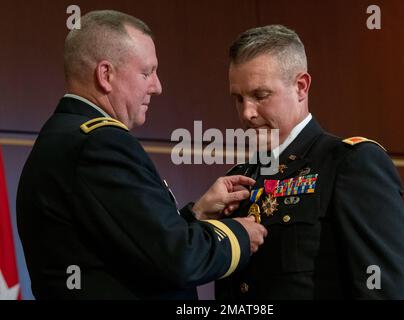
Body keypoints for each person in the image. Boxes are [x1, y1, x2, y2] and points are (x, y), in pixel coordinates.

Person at [16, 10, 267, 300]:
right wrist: (238, 234)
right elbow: (177, 259)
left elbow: (130, 246)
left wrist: (196, 214)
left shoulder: (66, 135)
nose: (157, 86)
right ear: (105, 75)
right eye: (147, 72)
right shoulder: (99, 144)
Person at [215, 25, 404, 299]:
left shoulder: (350, 162)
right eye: (238, 99)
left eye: (260, 96)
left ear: (301, 87)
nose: (247, 113)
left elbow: (388, 291)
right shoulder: (240, 177)